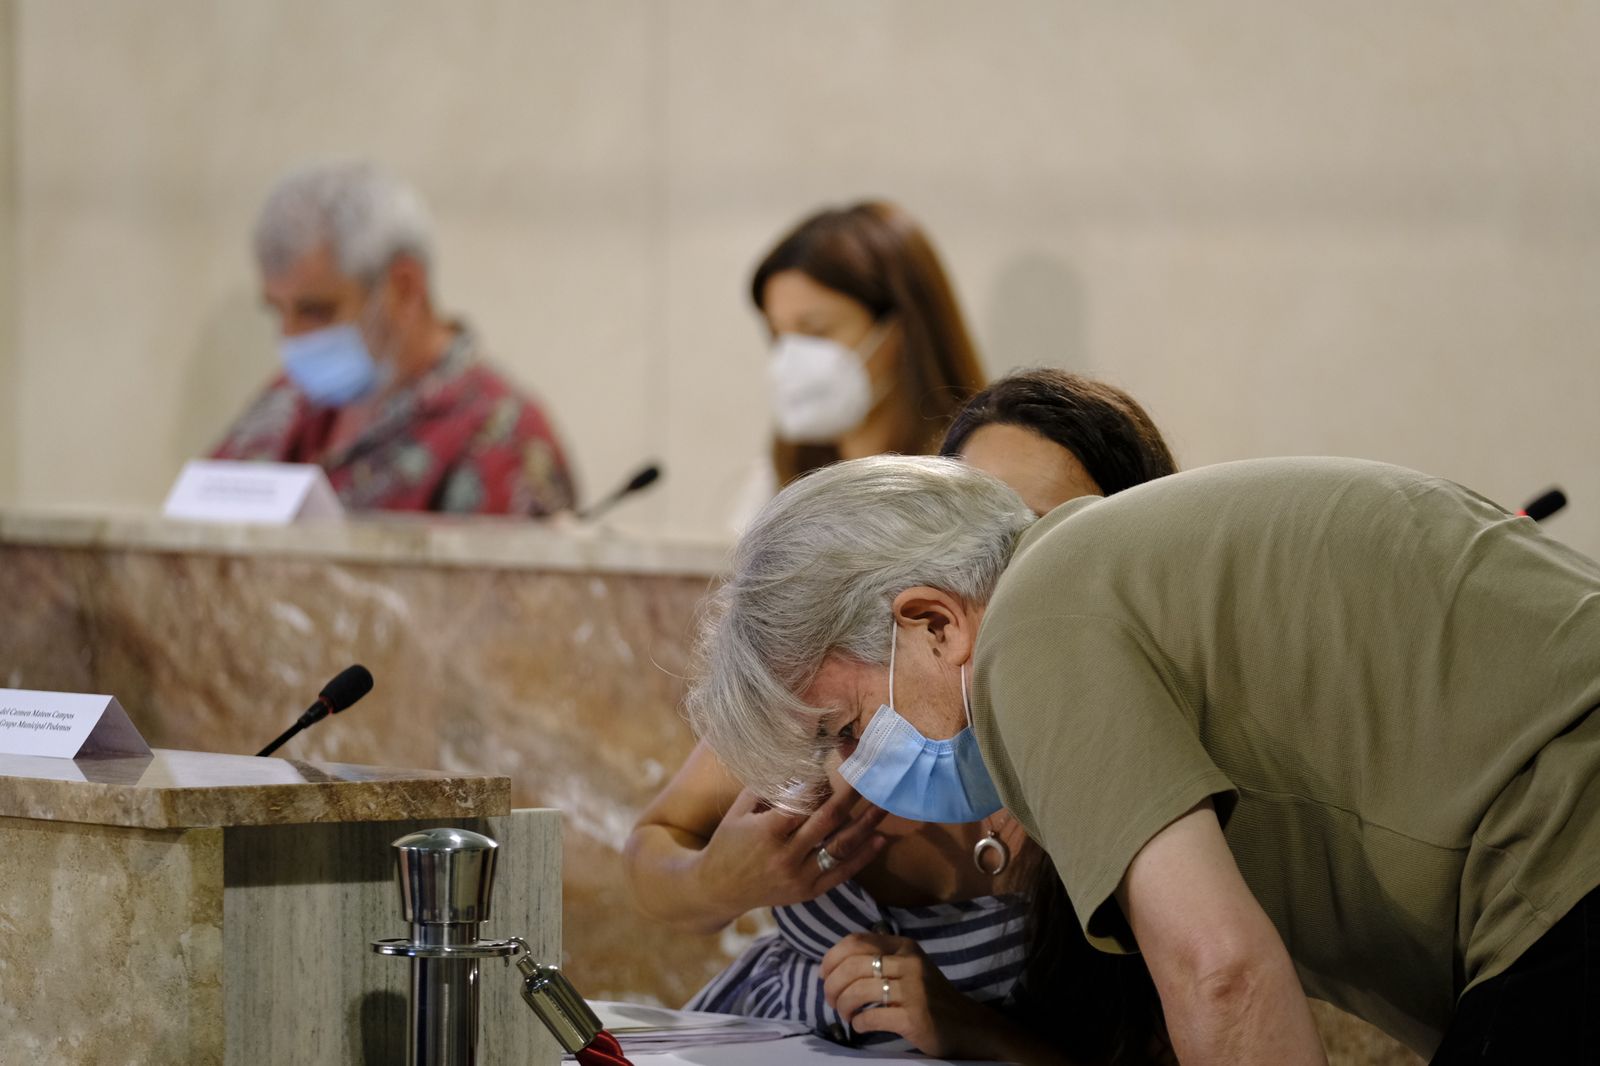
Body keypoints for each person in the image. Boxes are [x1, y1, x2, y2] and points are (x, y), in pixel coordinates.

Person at [686, 452, 1600, 1065]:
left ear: (933, 623)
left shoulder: (1031, 632)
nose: (850, 769)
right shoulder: (1092, 574)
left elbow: (1221, 977)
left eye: (844, 728)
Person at [628, 370, 1179, 1064]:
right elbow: (655, 846)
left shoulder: (1132, 779)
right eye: (966, 512)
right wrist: (717, 883)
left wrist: (978, 1034)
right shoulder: (843, 680)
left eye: (1032, 536)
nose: (989, 556)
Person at [211, 160, 576, 515]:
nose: (291, 335)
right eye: (278, 311)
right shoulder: (289, 400)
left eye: (316, 311)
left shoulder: (499, 439)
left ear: (404, 289)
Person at [732, 200, 986, 523]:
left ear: (899, 330)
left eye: (817, 331)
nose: (790, 358)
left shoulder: (976, 479)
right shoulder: (775, 487)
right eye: (778, 335)